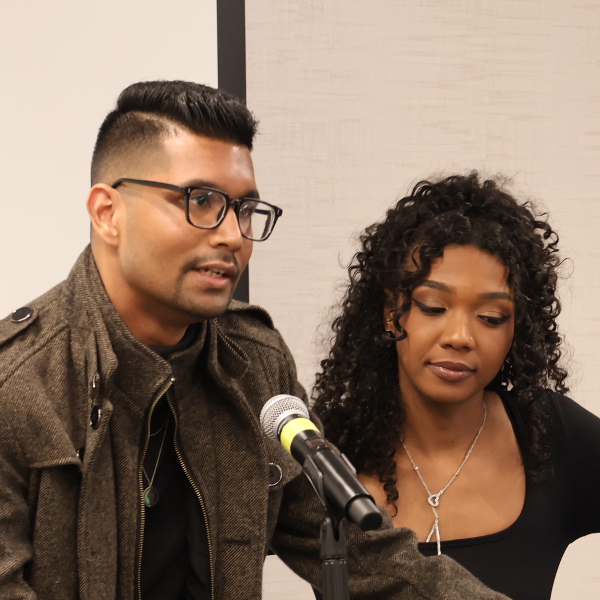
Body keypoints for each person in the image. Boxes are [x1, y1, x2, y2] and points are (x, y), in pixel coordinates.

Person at [0, 82, 508, 600]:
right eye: (201, 200)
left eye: (245, 209)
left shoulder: (255, 362)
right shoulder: (17, 388)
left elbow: (366, 556)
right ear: (108, 213)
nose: (232, 236)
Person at [312, 172, 600, 600]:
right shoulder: (326, 452)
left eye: (491, 317)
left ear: (516, 329)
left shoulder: (549, 435)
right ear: (393, 312)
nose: (460, 336)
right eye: (434, 306)